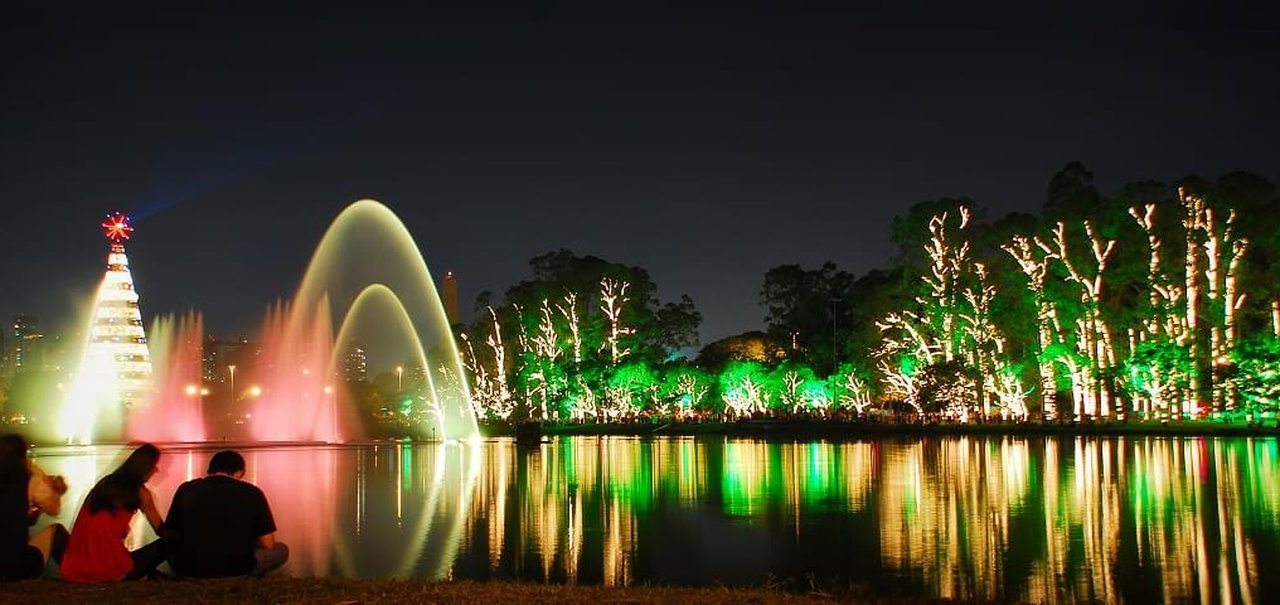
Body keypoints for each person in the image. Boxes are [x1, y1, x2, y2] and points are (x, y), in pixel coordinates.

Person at [165, 450, 288, 577]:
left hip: (190, 569)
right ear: (239, 472)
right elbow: (268, 544)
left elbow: (170, 533)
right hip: (237, 569)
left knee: (168, 546)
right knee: (281, 549)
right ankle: (245, 575)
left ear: (210, 470)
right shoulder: (253, 492)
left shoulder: (186, 489)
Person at [60, 443, 167, 582]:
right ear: (146, 467)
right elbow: (162, 530)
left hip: (76, 569)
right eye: (154, 465)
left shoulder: (105, 484)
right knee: (170, 543)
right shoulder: (141, 493)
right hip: (111, 571)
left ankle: (153, 573)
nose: (156, 470)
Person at [0, 433, 69, 580]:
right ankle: (79, 574)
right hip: (14, 567)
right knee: (57, 532)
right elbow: (54, 508)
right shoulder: (29, 480)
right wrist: (57, 490)